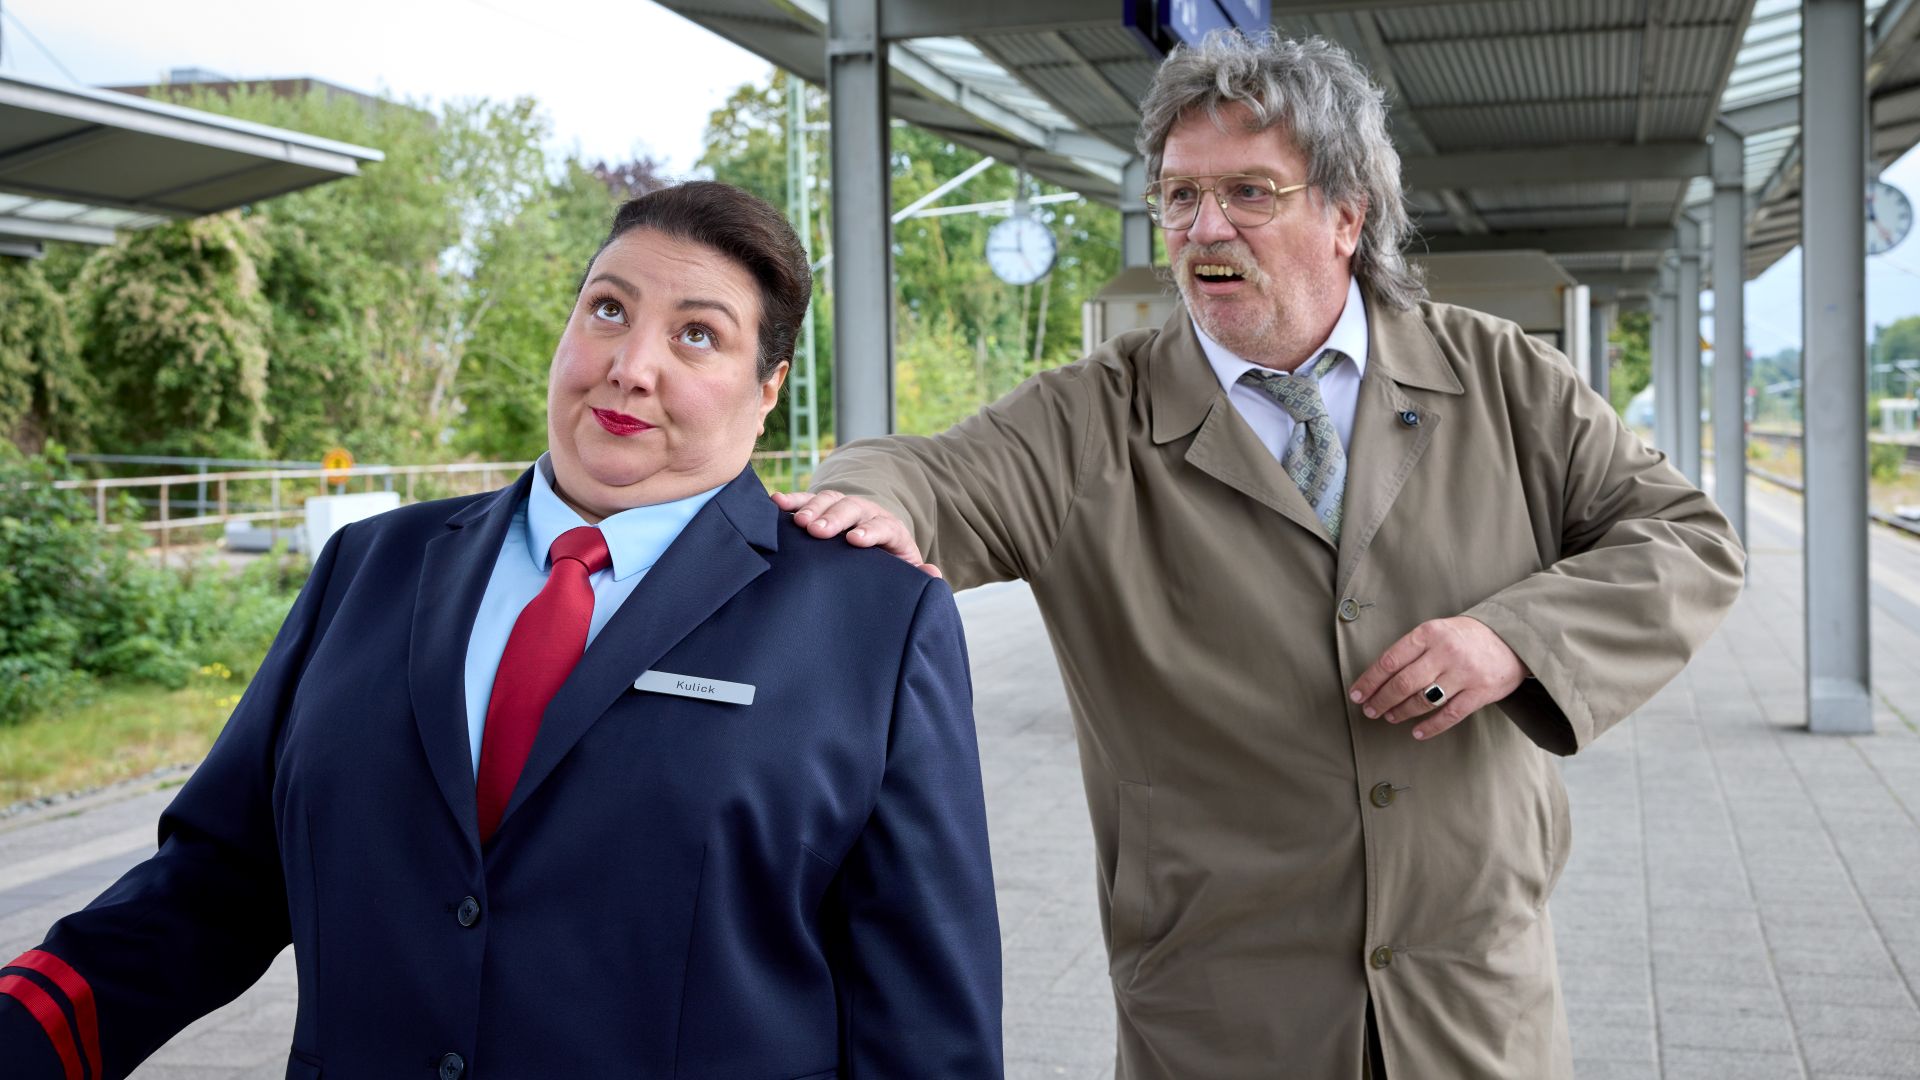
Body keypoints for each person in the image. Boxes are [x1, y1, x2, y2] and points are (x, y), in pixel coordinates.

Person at [774, 31, 1744, 1080]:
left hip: (1473, 1003)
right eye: (1180, 196)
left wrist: (1513, 639)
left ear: (1347, 215)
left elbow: (1687, 540)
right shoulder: (1091, 421)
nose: (1205, 227)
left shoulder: (1500, 376)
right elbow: (920, 473)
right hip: (1222, 1017)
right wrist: (862, 501)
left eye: (1248, 192)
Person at [0, 182, 1003, 1080]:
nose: (631, 366)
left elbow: (925, 1021)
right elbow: (214, 885)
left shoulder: (871, 620)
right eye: (607, 310)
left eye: (698, 335)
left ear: (768, 387)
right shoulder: (371, 568)